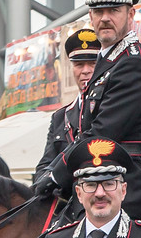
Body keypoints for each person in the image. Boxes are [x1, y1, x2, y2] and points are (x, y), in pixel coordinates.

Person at [33, 0, 141, 227]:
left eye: (114, 10)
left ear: (130, 15)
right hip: (104, 175)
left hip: (129, 179)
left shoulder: (132, 63)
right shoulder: (109, 59)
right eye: (98, 11)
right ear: (90, 17)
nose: (105, 18)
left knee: (65, 236)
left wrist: (56, 175)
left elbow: (101, 133)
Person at [31, 26, 105, 193]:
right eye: (79, 65)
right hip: (65, 202)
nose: (85, 71)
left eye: (92, 64)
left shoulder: (110, 107)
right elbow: (44, 166)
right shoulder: (60, 116)